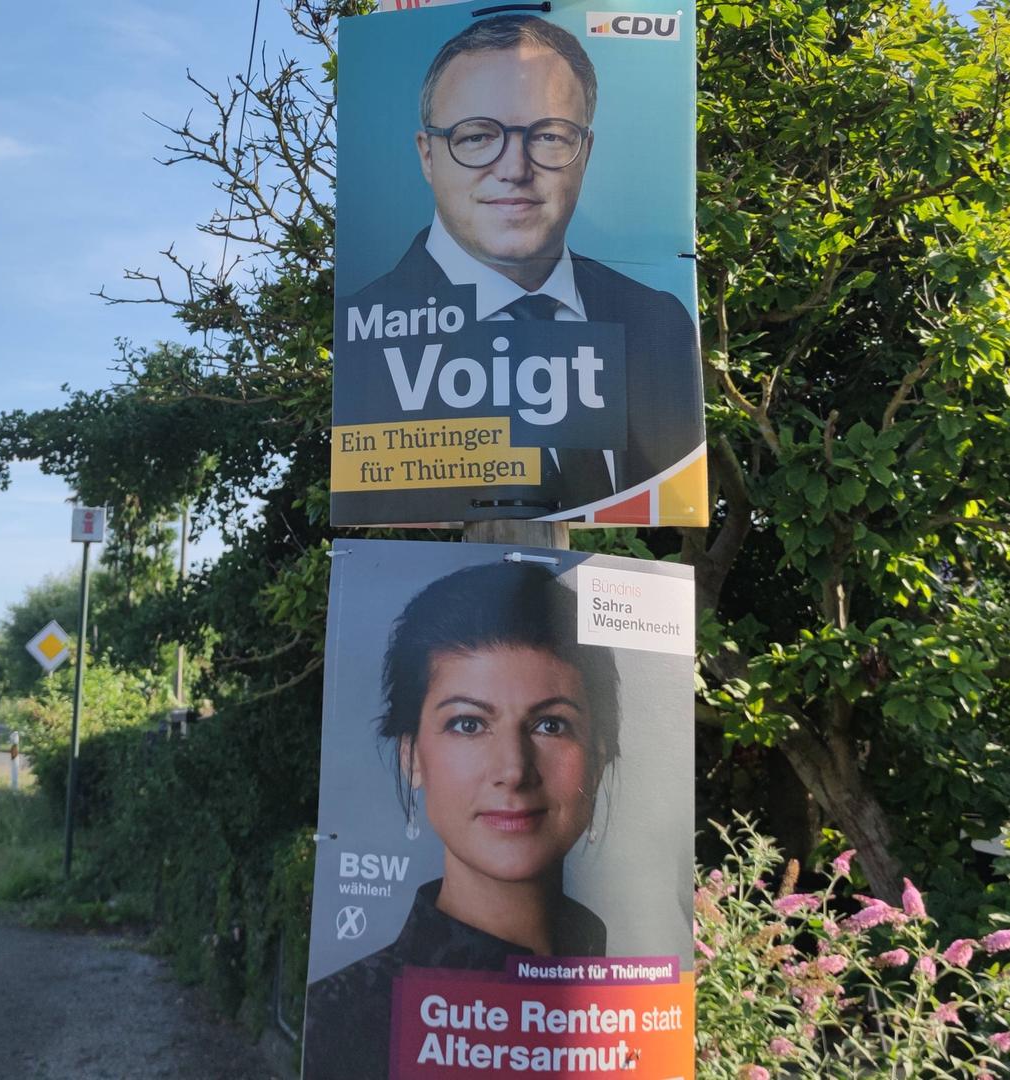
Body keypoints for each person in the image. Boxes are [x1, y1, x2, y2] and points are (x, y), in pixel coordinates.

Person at [342, 14, 702, 509]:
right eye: (476, 137)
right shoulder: (369, 337)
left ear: (586, 152)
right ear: (427, 156)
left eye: (550, 136)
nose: (514, 169)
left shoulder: (659, 322)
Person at [302, 561, 619, 1079]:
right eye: (468, 723)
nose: (514, 770)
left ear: (600, 756)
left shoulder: (641, 1002)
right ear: (412, 757)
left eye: (550, 724)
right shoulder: (344, 1020)